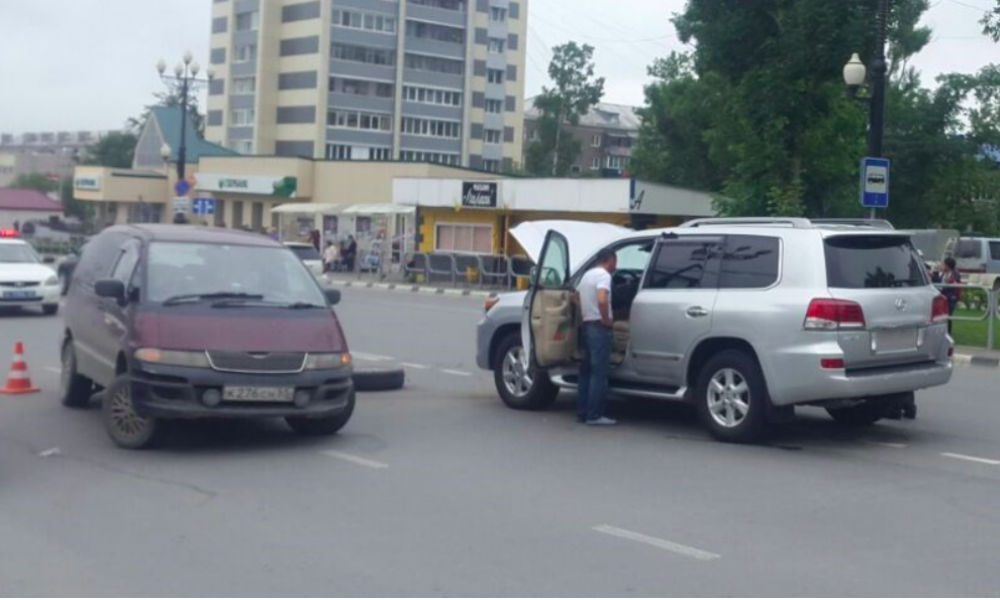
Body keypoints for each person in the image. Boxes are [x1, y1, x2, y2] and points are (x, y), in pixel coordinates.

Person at [576, 248, 618, 426]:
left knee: (586, 371)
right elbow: (602, 299)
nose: (616, 266)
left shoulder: (587, 276)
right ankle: (594, 415)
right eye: (615, 262)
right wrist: (607, 320)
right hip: (599, 328)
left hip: (587, 325)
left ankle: (582, 412)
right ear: (609, 260)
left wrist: (583, 315)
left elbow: (576, 297)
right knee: (599, 373)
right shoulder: (604, 276)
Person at [940, 257, 962, 334]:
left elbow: (957, 284)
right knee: (942, 315)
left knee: (948, 315)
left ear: (947, 265)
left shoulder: (955, 273)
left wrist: (951, 281)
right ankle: (943, 331)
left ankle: (948, 332)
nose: (942, 265)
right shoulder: (943, 272)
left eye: (944, 264)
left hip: (951, 297)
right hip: (943, 296)